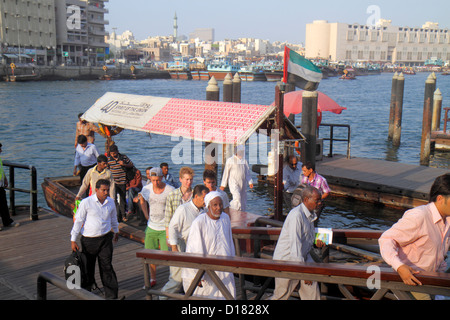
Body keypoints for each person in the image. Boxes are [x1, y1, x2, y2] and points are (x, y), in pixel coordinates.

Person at [379, 173, 450, 300]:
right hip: (412, 280)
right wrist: (399, 266)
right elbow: (386, 239)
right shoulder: (419, 216)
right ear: (440, 199)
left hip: (432, 279)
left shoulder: (447, 221)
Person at [271, 185, 325, 300]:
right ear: (306, 200)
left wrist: (316, 242)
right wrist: (303, 272)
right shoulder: (296, 215)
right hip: (286, 260)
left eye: (320, 200)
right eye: (317, 200)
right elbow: (295, 246)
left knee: (312, 292)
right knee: (281, 294)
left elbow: (307, 237)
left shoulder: (310, 214)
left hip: (302, 258)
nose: (320, 203)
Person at [70, 179, 120, 299]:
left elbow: (114, 218)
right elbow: (78, 221)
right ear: (96, 190)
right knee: (88, 268)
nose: (106, 192)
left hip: (106, 239)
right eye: (103, 190)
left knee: (107, 266)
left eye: (107, 190)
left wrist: (116, 231)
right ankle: (86, 293)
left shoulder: (111, 202)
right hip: (89, 240)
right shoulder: (86, 202)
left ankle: (112, 296)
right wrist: (73, 239)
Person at [182, 191, 236, 299]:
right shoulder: (199, 222)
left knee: (227, 295)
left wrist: (233, 262)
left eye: (220, 204)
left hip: (224, 267)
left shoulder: (225, 219)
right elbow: (194, 249)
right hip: (206, 271)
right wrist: (196, 274)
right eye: (215, 205)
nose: (218, 208)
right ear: (208, 206)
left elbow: (229, 242)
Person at [161, 185, 209, 299]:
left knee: (193, 277)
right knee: (177, 279)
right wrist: (174, 247)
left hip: (195, 248)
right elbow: (173, 227)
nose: (206, 202)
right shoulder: (183, 209)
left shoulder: (204, 211)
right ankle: (161, 297)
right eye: (204, 198)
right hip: (181, 244)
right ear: (196, 196)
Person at [139, 167, 175, 287]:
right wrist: (146, 215)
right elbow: (142, 199)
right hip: (151, 226)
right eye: (153, 180)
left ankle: (174, 280)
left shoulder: (170, 190)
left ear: (162, 178)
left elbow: (176, 206)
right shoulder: (147, 189)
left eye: (157, 180)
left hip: (165, 228)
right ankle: (152, 279)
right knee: (149, 255)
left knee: (168, 257)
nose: (155, 183)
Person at [220, 145, 253, 212]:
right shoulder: (230, 160)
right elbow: (226, 172)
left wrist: (250, 182)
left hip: (242, 182)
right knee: (237, 196)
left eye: (242, 152)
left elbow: (247, 172)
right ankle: (233, 209)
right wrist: (223, 184)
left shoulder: (244, 161)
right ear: (236, 152)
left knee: (243, 198)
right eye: (240, 152)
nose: (241, 153)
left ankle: (242, 210)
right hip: (233, 182)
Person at [164, 167, 194, 238]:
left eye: (191, 179)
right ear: (180, 179)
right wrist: (168, 236)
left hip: (192, 234)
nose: (189, 182)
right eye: (187, 179)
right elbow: (168, 218)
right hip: (177, 233)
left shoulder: (195, 195)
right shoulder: (172, 195)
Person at [107, 144, 134, 222]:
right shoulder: (109, 159)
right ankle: (116, 215)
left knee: (122, 198)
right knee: (114, 199)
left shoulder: (123, 157)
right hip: (113, 182)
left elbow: (131, 164)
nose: (113, 155)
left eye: (114, 153)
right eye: (112, 153)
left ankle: (123, 215)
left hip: (122, 181)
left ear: (117, 151)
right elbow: (107, 168)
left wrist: (124, 164)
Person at [0, 143, 19, 231]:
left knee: (3, 204)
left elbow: (1, 170)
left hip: (0, 185)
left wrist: (5, 178)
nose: (1, 151)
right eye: (0, 149)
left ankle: (7, 221)